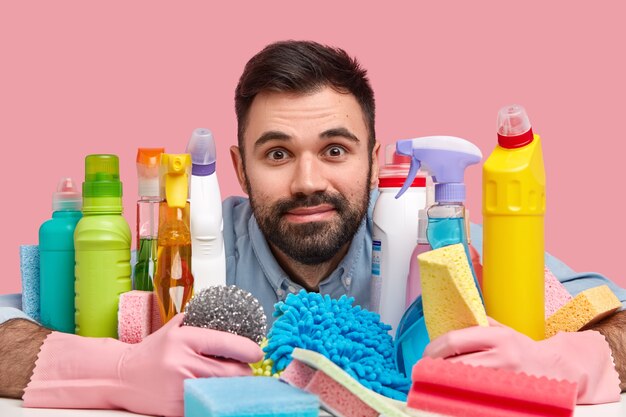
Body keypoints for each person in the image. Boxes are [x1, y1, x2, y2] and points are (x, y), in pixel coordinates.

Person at [0, 40, 625, 416]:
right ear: (240, 168)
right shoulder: (177, 253)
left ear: (377, 160)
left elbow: (617, 320)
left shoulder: (449, 254)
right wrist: (120, 374)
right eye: (277, 153)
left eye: (334, 149)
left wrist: (552, 363)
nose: (306, 181)